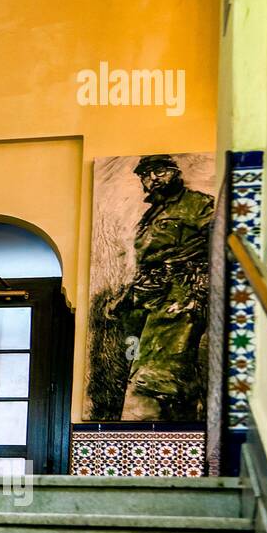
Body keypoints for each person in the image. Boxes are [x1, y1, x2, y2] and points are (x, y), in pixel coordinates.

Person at [109, 154, 214, 420]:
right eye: (146, 174)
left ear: (175, 172)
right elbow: (150, 262)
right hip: (154, 294)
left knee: (156, 374)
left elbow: (219, 246)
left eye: (159, 171)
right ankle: (182, 421)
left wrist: (199, 292)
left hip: (183, 292)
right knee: (163, 372)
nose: (152, 179)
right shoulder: (151, 214)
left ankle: (140, 435)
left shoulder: (197, 204)